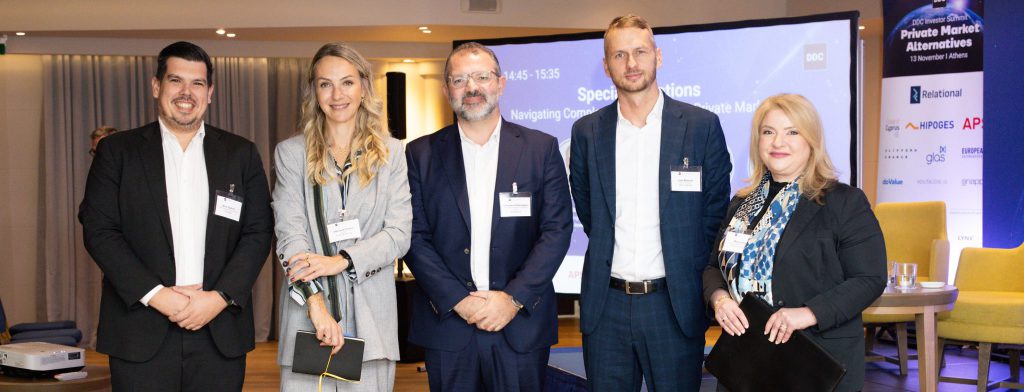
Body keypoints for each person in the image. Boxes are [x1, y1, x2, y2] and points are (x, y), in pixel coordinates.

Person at [78, 41, 273, 391]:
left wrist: (219, 297)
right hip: (139, 330)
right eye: (175, 81)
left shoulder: (240, 153)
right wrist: (158, 295)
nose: (187, 93)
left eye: (197, 83)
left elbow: (258, 232)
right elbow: (99, 230)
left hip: (218, 330)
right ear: (156, 86)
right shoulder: (117, 152)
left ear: (210, 92)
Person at [569, 14, 733, 391]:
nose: (631, 63)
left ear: (657, 56)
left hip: (673, 305)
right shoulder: (587, 132)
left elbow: (713, 214)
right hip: (606, 307)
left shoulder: (700, 126)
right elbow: (591, 213)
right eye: (620, 55)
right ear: (606, 65)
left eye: (640, 52)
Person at [405, 42, 573, 391]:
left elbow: (556, 231)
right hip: (448, 325)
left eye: (482, 77)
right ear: (446, 88)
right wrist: (459, 301)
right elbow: (414, 237)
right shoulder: (420, 154)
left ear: (501, 83)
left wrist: (512, 299)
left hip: (519, 324)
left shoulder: (540, 149)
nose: (472, 88)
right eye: (460, 79)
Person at [702, 93, 886, 392]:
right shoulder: (741, 204)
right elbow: (713, 267)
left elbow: (870, 278)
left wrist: (808, 313)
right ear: (757, 140)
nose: (778, 142)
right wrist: (719, 299)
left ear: (811, 140)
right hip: (746, 361)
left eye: (792, 132)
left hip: (813, 361)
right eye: (768, 132)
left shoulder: (843, 202)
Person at [272, 42, 411, 391]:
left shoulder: (391, 154)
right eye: (325, 84)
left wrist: (341, 261)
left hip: (372, 321)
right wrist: (315, 305)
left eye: (347, 82)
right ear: (314, 91)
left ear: (363, 87)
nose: (337, 94)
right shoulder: (290, 154)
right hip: (308, 319)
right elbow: (290, 236)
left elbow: (398, 234)